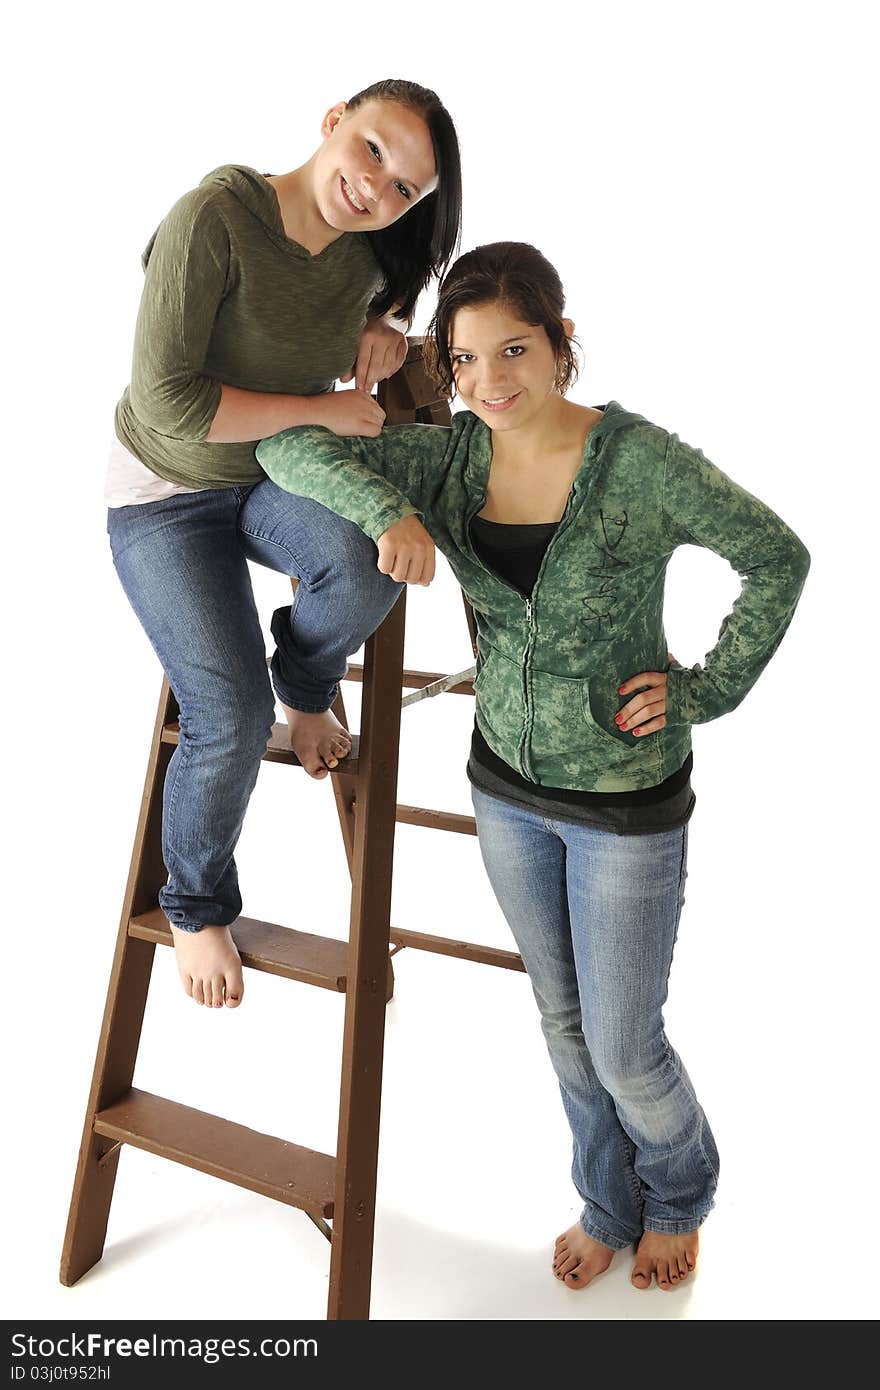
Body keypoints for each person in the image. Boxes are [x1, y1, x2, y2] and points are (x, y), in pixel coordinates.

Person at [255, 241, 811, 1294]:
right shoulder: (457, 458)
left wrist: (701, 688)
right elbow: (287, 444)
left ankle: (679, 1191)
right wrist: (388, 510)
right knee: (561, 1024)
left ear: (560, 344)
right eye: (463, 362)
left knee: (625, 1044)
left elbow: (776, 555)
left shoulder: (638, 461)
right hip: (505, 791)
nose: (488, 381)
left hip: (623, 804)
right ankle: (606, 1202)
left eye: (512, 349)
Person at [105, 79, 462, 1011]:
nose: (378, 189)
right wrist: (322, 408)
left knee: (365, 560)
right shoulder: (214, 218)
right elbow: (168, 403)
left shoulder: (360, 257)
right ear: (334, 119)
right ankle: (194, 904)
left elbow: (360, 308)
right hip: (165, 494)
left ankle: (307, 694)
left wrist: (382, 331)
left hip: (268, 480)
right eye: (376, 152)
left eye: (404, 192)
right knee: (225, 714)